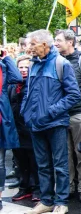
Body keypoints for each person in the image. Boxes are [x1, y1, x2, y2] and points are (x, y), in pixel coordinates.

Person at [22, 30, 80, 214]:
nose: (29, 48)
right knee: (43, 165)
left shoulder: (61, 64)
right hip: (36, 123)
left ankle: (61, 202)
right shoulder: (33, 64)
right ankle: (46, 201)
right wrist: (26, 112)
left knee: (60, 165)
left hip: (55, 123)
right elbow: (28, 93)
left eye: (32, 44)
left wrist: (51, 111)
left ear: (44, 45)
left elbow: (74, 95)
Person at [54, 30, 81, 203]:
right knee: (65, 155)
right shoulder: (56, 62)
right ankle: (70, 187)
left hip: (79, 115)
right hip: (60, 116)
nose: (55, 43)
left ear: (70, 42)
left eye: (58, 40)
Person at [9, 55, 40, 202]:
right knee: (21, 160)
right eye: (20, 67)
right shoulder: (12, 86)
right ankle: (24, 186)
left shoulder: (34, 83)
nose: (23, 70)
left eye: (26, 67)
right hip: (16, 129)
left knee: (34, 160)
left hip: (31, 128)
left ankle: (36, 188)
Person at [0, 47, 23, 210]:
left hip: (1, 121)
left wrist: (6, 57)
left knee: (0, 163)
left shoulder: (3, 68)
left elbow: (17, 77)